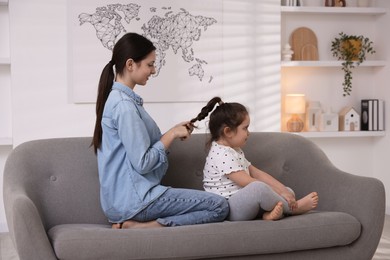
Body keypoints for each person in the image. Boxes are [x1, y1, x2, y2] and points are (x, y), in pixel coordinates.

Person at [91, 33, 229, 229]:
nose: (153, 70)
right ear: (131, 65)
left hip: (127, 202)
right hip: (136, 201)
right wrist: (170, 135)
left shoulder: (121, 102)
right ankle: (145, 227)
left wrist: (173, 131)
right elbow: (143, 163)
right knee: (219, 206)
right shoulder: (124, 106)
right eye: (150, 64)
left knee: (218, 206)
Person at [190, 97, 319, 221]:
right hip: (230, 209)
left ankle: (269, 215)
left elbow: (257, 173)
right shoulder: (221, 155)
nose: (248, 132)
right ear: (228, 132)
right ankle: (293, 209)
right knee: (258, 188)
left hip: (245, 206)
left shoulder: (234, 150)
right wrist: (281, 194)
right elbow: (249, 182)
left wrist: (283, 191)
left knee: (288, 191)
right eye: (245, 128)